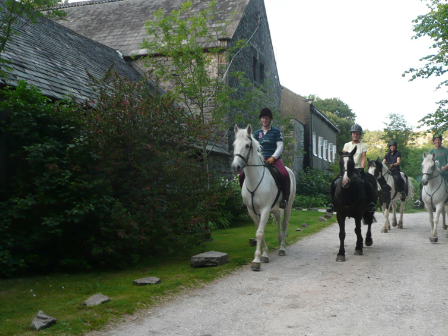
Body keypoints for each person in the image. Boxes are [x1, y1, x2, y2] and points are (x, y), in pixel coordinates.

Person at [239, 107, 290, 209]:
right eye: (263, 118)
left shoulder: (276, 132)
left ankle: (284, 198)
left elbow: (280, 146)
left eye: (266, 118)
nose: (264, 120)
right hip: (260, 159)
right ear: (260, 119)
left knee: (284, 174)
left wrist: (273, 157)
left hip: (274, 159)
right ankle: (245, 199)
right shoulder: (257, 133)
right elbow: (254, 148)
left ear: (270, 119)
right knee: (241, 175)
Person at [327, 124, 376, 212]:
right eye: (354, 133)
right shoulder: (347, 145)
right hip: (347, 169)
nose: (355, 135)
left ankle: (370, 203)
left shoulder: (363, 145)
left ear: (360, 135)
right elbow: (344, 157)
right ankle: (332, 204)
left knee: (367, 183)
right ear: (352, 134)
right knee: (334, 182)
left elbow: (363, 157)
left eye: (357, 134)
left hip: (357, 169)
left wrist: (362, 167)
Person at [415, 133, 448, 208]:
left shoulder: (446, 150)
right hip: (433, 174)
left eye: (439, 140)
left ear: (441, 141)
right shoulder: (431, 151)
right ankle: (421, 200)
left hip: (445, 173)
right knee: (422, 184)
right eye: (436, 140)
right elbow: (427, 162)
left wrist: (445, 167)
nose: (437, 141)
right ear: (434, 141)